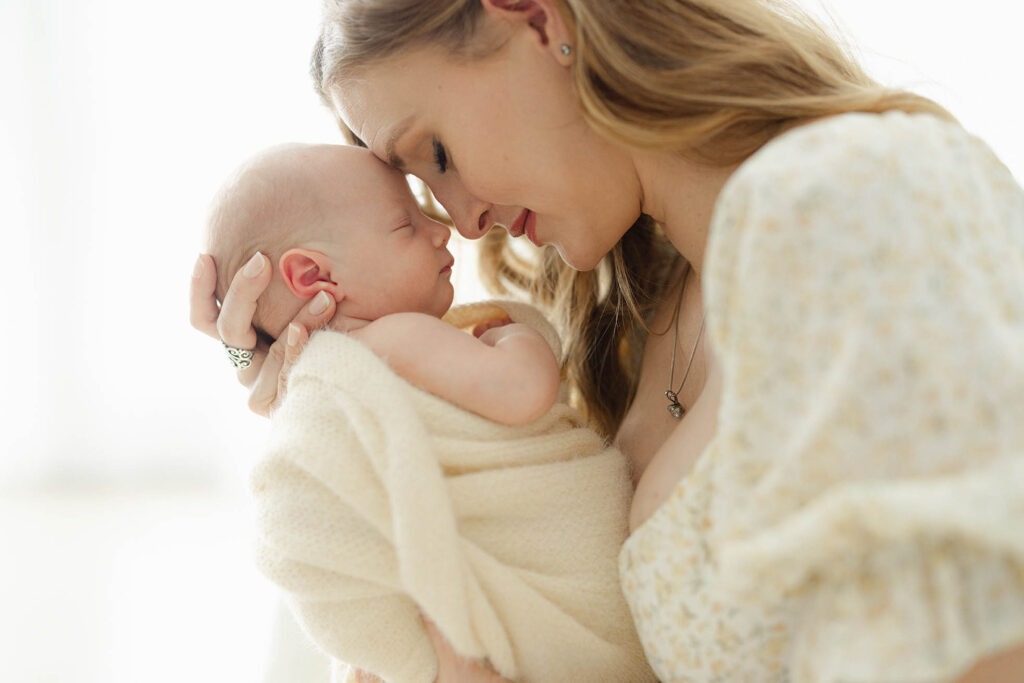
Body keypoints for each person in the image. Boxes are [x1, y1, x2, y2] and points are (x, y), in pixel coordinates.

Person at [191, 1, 1024, 680]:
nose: (464, 219)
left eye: (436, 151)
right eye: (418, 186)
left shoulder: (843, 196)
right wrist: (304, 384)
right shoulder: (627, 328)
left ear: (536, 19)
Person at [202, 142, 655, 682]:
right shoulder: (394, 337)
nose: (440, 229)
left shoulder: (323, 383)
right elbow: (522, 390)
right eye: (405, 224)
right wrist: (517, 337)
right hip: (550, 598)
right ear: (313, 276)